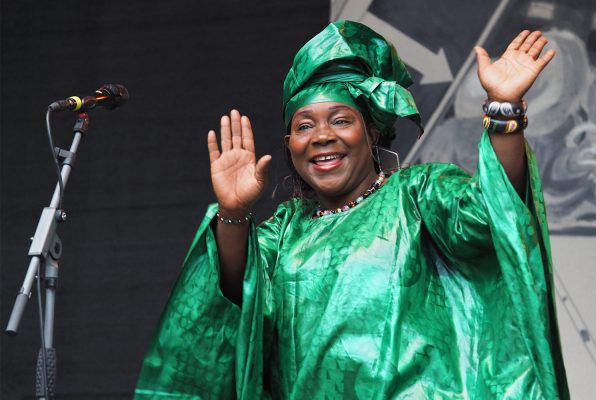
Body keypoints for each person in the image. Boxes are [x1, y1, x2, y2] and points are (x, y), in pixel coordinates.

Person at [135, 21, 569, 399]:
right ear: (290, 145)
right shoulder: (283, 233)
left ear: (371, 131)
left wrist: (503, 112)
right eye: (304, 126)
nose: (322, 136)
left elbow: (497, 213)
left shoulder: (418, 194)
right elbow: (230, 299)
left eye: (341, 120)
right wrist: (232, 211)